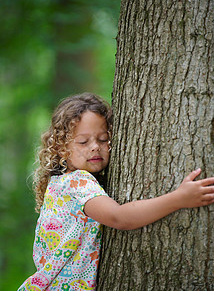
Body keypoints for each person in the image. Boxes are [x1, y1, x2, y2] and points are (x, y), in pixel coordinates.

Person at [18, 93, 214, 291]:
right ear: (61, 148)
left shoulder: (58, 184)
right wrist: (178, 198)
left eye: (103, 139)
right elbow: (120, 217)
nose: (95, 147)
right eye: (83, 142)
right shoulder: (78, 182)